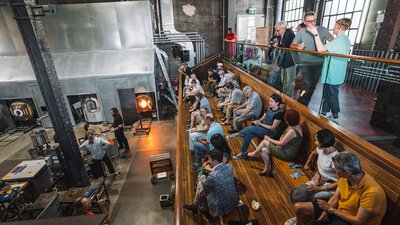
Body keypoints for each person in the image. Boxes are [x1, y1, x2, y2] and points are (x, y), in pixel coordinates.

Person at [286, 152, 387, 225]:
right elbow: (335, 198)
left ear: (347, 172)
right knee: (298, 207)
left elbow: (359, 221)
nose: (333, 169)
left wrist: (330, 209)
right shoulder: (345, 177)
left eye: (336, 168)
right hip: (337, 210)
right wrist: (320, 220)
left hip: (350, 221)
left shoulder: (372, 192)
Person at [307, 18, 352, 121]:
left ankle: (335, 113)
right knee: (328, 92)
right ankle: (324, 111)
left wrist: (315, 34)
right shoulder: (345, 40)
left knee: (331, 93)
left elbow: (321, 49)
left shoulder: (339, 40)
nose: (333, 28)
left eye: (335, 26)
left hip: (333, 72)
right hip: (336, 71)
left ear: (339, 27)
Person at [291, 11, 333, 106]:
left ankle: (305, 103)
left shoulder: (322, 30)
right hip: (306, 62)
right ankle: (301, 103)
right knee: (307, 84)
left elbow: (333, 42)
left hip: (319, 63)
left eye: (314, 20)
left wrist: (325, 49)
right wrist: (297, 46)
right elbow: (292, 45)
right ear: (305, 22)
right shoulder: (302, 31)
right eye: (309, 21)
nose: (312, 23)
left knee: (313, 86)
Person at [228, 94, 285, 160]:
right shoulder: (269, 108)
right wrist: (258, 121)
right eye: (269, 101)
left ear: (277, 103)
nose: (269, 103)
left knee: (252, 128)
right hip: (262, 128)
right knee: (249, 134)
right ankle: (242, 153)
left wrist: (260, 124)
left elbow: (273, 128)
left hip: (271, 133)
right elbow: (263, 118)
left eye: (271, 101)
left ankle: (238, 134)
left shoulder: (279, 113)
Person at [183, 150, 240, 217]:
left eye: (210, 160)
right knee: (202, 186)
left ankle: (199, 207)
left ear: (215, 161)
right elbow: (220, 173)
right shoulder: (229, 166)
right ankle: (194, 205)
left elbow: (205, 186)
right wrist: (210, 169)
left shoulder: (212, 176)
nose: (209, 161)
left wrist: (202, 173)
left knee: (201, 185)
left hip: (221, 209)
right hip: (234, 201)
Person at [248, 109, 303, 176]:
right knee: (264, 150)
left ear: (289, 121)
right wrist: (279, 144)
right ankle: (267, 168)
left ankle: (254, 153)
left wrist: (269, 139)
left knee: (265, 141)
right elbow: (283, 136)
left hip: (288, 153)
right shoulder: (294, 125)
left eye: (286, 120)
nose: (285, 121)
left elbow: (281, 143)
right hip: (284, 147)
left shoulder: (293, 131)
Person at [304, 129, 339, 200]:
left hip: (330, 186)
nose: (315, 142)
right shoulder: (320, 149)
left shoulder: (335, 158)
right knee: (303, 192)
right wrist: (307, 164)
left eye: (316, 140)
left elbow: (340, 182)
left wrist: (320, 188)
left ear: (322, 143)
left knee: (311, 197)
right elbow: (313, 153)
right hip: (319, 180)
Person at [273, 21, 296, 97]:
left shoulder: (289, 33)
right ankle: (284, 95)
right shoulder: (282, 34)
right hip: (283, 60)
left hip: (290, 60)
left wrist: (277, 44)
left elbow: (285, 44)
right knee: (284, 80)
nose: (277, 32)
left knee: (289, 81)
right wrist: (278, 36)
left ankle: (289, 97)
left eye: (278, 30)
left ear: (283, 28)